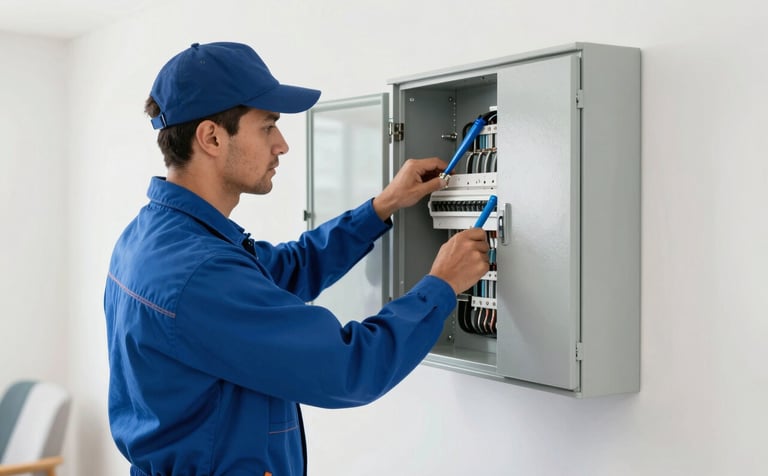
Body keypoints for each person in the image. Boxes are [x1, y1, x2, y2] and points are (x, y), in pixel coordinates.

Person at [104, 41, 489, 476]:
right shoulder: (199, 272)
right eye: (268, 127)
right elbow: (350, 368)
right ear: (211, 137)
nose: (282, 145)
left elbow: (285, 271)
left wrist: (381, 206)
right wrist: (440, 286)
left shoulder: (155, 236)